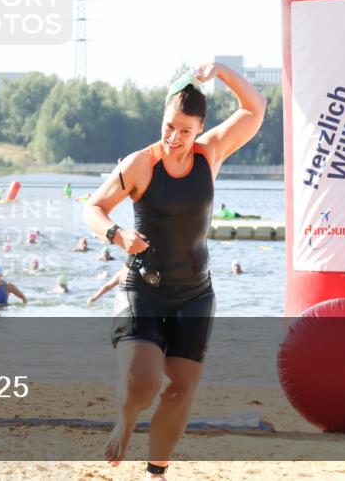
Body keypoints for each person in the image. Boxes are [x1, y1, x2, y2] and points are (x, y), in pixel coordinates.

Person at [83, 61, 266, 477]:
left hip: (195, 294)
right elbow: (92, 207)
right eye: (169, 126)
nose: (174, 137)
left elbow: (255, 108)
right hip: (143, 290)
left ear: (200, 128)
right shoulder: (140, 164)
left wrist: (221, 71)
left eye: (185, 130)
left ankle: (156, 471)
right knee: (144, 385)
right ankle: (127, 417)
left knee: (182, 388)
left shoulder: (210, 153)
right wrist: (116, 234)